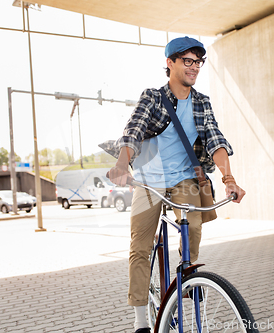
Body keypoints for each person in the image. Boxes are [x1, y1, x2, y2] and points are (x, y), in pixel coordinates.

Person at [104, 36, 246, 333]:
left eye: (198, 62)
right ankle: (141, 320)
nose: (195, 67)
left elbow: (215, 140)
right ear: (170, 63)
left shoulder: (201, 102)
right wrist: (121, 164)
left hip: (184, 177)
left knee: (193, 226)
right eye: (188, 61)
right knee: (140, 247)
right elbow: (134, 130)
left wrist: (229, 180)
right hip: (149, 178)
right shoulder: (153, 98)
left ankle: (187, 276)